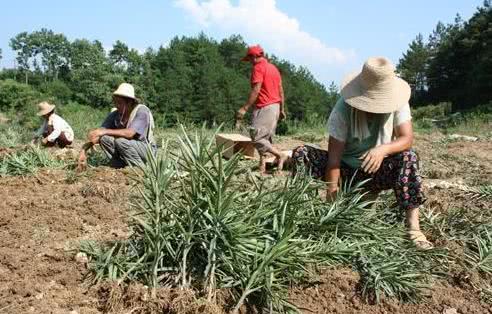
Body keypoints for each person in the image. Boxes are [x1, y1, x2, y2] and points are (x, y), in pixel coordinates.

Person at [292, 57, 432, 249]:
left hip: (376, 171)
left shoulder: (398, 100)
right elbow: (333, 161)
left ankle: (413, 229)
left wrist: (383, 149)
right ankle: (297, 215)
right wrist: (332, 209)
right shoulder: (342, 110)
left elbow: (406, 138)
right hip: (345, 172)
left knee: (409, 157)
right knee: (301, 153)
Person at [77, 83, 156, 170]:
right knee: (104, 139)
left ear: (129, 102)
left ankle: (139, 169)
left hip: (146, 150)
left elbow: (130, 133)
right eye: (115, 102)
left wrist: (104, 131)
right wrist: (83, 150)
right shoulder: (116, 114)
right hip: (128, 148)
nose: (117, 106)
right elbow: (98, 134)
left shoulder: (141, 111)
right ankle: (119, 166)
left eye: (120, 103)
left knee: (120, 141)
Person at [236, 45, 287, 175]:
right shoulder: (273, 68)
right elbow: (281, 90)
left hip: (265, 106)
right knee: (266, 138)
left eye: (250, 59)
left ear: (254, 57)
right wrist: (281, 109)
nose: (250, 62)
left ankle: (280, 155)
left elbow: (256, 90)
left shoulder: (258, 68)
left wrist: (244, 108)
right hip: (275, 106)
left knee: (256, 137)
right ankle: (262, 167)